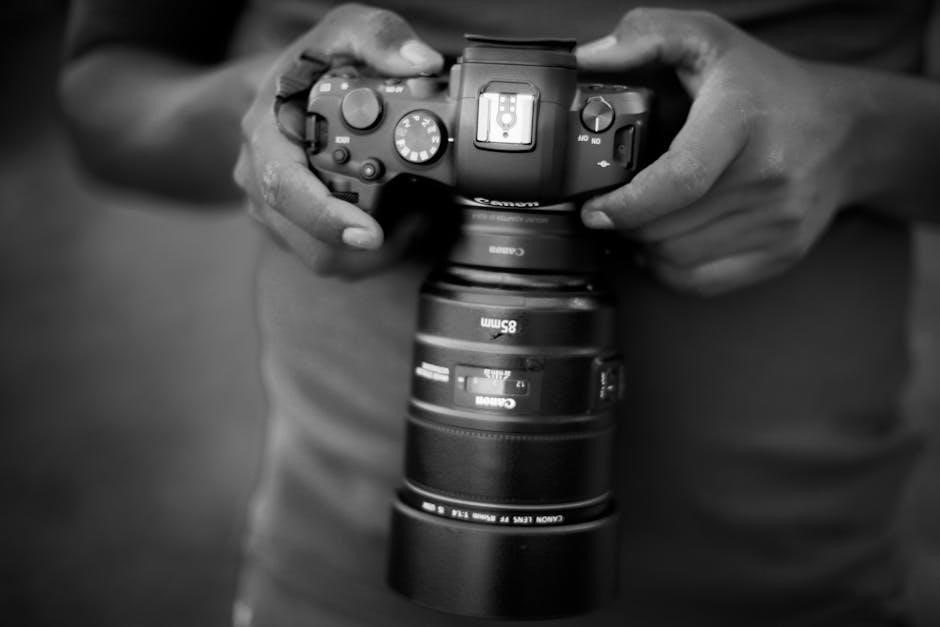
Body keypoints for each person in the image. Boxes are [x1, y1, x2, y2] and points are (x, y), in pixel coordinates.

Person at [61, 1, 940, 625]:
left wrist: (861, 135)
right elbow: (101, 89)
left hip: (795, 583)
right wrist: (279, 113)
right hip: (344, 576)